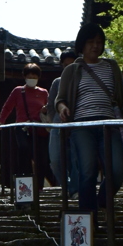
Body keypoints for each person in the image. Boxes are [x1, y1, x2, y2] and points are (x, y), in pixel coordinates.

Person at [55, 24, 123, 211]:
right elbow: (60, 99)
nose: (95, 46)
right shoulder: (72, 70)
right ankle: (88, 218)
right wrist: (63, 108)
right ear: (82, 44)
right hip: (82, 126)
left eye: (99, 42)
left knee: (118, 172)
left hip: (108, 125)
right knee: (87, 171)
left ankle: (101, 202)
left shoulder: (111, 67)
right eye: (90, 42)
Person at [0, 60, 50, 189]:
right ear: (24, 77)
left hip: (39, 129)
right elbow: (7, 107)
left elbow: (49, 110)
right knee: (24, 149)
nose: (31, 79)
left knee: (41, 158)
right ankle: (25, 184)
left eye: (34, 77)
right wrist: (1, 121)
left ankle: (39, 187)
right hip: (22, 128)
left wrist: (45, 110)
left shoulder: (44, 93)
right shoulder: (18, 91)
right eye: (29, 77)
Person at [46, 46, 77, 189]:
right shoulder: (57, 82)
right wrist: (55, 122)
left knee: (76, 159)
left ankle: (75, 189)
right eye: (65, 66)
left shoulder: (82, 81)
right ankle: (67, 186)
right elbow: (51, 105)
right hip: (58, 124)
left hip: (78, 123)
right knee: (56, 159)